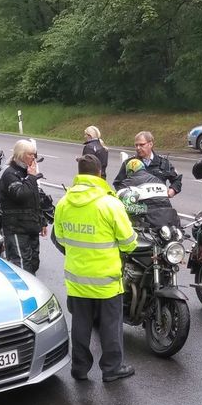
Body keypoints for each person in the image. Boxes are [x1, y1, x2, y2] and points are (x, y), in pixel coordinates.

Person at [54, 154, 138, 383]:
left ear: (79, 174)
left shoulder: (64, 203)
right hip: (106, 280)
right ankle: (111, 369)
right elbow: (129, 242)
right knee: (111, 326)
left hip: (77, 279)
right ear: (100, 172)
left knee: (81, 325)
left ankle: (79, 368)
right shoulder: (110, 204)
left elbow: (59, 238)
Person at [0, 139, 53, 273]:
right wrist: (32, 178)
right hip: (16, 229)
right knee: (22, 267)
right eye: (30, 154)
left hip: (32, 227)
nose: (33, 157)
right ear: (20, 155)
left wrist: (42, 221)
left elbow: (35, 199)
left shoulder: (28, 173)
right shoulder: (10, 174)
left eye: (34, 154)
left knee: (34, 264)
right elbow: (21, 195)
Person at [112, 131, 181, 196]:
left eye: (142, 145)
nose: (138, 148)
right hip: (137, 205)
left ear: (150, 144)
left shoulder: (163, 163)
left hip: (158, 203)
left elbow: (176, 180)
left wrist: (172, 191)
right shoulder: (129, 163)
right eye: (136, 145)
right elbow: (118, 183)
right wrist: (127, 194)